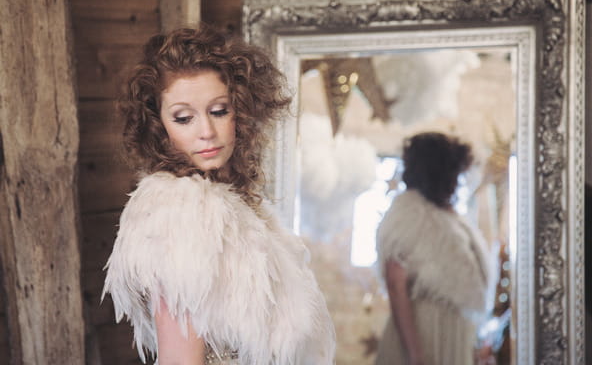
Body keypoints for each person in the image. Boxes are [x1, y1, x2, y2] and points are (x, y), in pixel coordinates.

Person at [102, 25, 335, 365]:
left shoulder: (241, 207)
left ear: (240, 111)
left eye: (219, 110)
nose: (207, 132)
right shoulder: (177, 214)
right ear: (158, 126)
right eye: (184, 118)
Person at [375, 132, 489, 365]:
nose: (458, 180)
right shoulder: (409, 214)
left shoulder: (451, 218)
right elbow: (396, 286)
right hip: (425, 334)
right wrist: (416, 356)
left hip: (456, 336)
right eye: (454, 172)